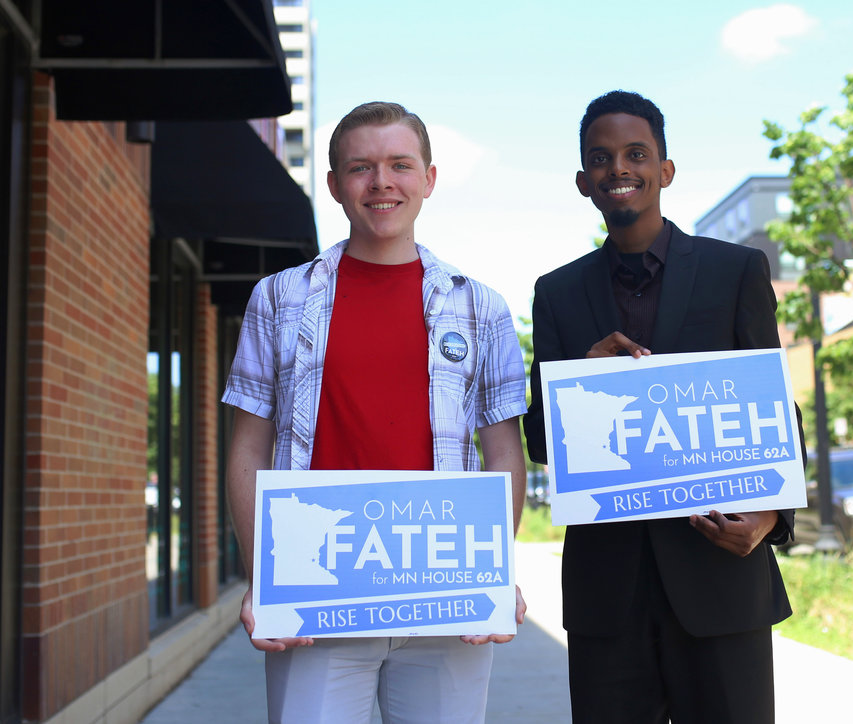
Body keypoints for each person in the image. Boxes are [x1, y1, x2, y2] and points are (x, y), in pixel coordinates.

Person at [223, 101, 527, 724]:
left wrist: (493, 569)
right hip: (316, 597)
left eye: (399, 165)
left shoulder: (482, 308)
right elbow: (249, 447)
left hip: (443, 596)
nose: (381, 182)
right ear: (334, 185)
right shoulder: (279, 298)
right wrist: (264, 579)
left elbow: (502, 452)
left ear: (429, 180)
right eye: (360, 167)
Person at [523, 90, 798, 724]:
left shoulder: (736, 272)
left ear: (665, 170)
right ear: (583, 181)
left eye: (636, 153)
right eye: (601, 158)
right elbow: (541, 443)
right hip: (607, 595)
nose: (618, 167)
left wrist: (770, 515)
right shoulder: (556, 294)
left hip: (721, 577)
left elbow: (774, 408)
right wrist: (579, 386)